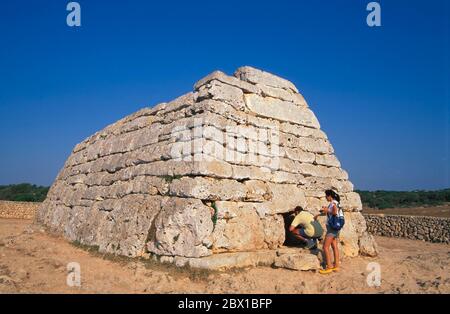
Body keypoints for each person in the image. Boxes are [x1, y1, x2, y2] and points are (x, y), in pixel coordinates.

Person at [315, 189, 343, 274]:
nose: (326, 198)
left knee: (325, 247)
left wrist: (327, 210)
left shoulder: (333, 203)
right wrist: (321, 213)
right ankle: (336, 266)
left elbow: (334, 212)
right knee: (334, 246)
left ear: (329, 196)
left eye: (326, 196)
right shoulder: (335, 202)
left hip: (332, 229)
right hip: (335, 228)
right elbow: (332, 212)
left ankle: (329, 267)